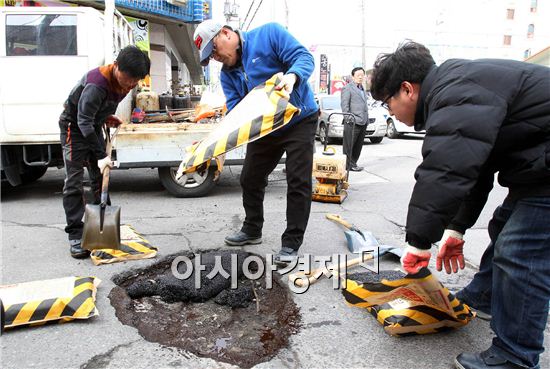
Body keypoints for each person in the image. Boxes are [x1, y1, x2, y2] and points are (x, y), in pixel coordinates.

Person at [370, 41, 550, 369]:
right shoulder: (458, 85)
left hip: (544, 168)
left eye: (388, 102)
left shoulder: (456, 93)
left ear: (407, 89)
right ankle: (484, 298)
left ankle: (515, 357)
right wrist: (456, 227)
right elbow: (473, 168)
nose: (390, 112)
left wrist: (419, 244)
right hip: (539, 165)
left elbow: (444, 171)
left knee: (521, 251)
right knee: (505, 226)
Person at [193, 20, 319, 266]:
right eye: (211, 56)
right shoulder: (227, 74)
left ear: (227, 34)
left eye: (215, 49)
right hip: (265, 127)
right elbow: (238, 111)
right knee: (249, 177)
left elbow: (303, 57)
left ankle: (291, 243)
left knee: (297, 180)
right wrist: (212, 143)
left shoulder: (269, 34)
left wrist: (293, 76)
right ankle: (252, 230)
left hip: (299, 117)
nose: (216, 57)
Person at [59, 45, 150, 259]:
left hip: (92, 125)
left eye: (135, 81)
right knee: (73, 181)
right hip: (75, 127)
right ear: (116, 66)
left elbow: (95, 113)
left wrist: (106, 117)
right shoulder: (97, 84)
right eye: (128, 79)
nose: (130, 84)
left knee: (101, 177)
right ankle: (75, 233)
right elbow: (83, 120)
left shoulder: (126, 81)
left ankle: (101, 227)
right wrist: (100, 155)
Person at [340, 67, 369, 171]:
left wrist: (367, 119)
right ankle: (348, 165)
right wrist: (349, 119)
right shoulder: (347, 88)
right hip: (352, 122)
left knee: (358, 145)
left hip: (363, 121)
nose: (360, 77)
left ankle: (353, 163)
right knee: (349, 145)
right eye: (358, 75)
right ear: (353, 77)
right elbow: (344, 105)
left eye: (362, 75)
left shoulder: (362, 89)